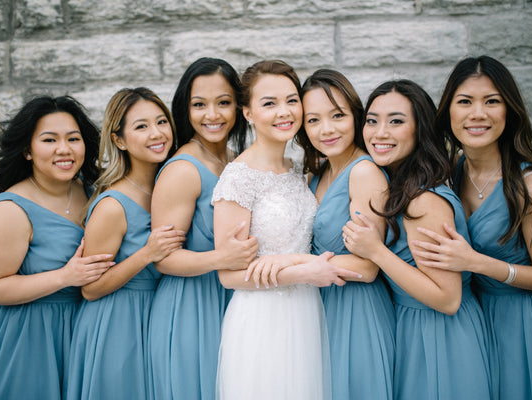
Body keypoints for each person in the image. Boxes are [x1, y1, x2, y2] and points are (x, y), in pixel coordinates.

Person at [411, 55, 532, 400]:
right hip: (471, 320)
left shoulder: (531, 187)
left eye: (491, 101)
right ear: (449, 111)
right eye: (465, 101)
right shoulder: (452, 172)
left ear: (509, 111)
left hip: (523, 324)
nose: (477, 113)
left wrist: (476, 262)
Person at [213, 60, 359, 400]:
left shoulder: (297, 169)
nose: (285, 112)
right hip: (263, 316)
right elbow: (228, 275)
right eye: (269, 103)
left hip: (307, 310)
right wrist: (301, 271)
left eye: (292, 100)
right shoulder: (238, 178)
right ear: (247, 112)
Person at [342, 80, 492, 400]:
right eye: (372, 120)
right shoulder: (400, 184)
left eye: (396, 121)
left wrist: (376, 252)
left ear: (419, 130)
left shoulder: (423, 201)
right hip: (411, 329)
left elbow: (447, 299)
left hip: (439, 336)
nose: (380, 132)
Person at [0, 96, 115, 400]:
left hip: (79, 330)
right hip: (23, 337)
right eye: (49, 140)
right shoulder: (11, 209)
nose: (64, 149)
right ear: (27, 150)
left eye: (74, 138)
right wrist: (65, 277)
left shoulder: (93, 191)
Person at [147, 57, 259, 400]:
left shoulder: (234, 158)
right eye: (200, 105)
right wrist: (221, 257)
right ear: (186, 109)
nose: (213, 114)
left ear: (239, 108)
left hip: (232, 301)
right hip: (190, 308)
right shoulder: (183, 169)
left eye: (223, 102)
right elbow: (164, 259)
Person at [65, 88, 185, 399]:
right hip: (117, 323)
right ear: (119, 140)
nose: (156, 133)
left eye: (161, 122)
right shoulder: (112, 205)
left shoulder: (169, 186)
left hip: (158, 316)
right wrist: (147, 254)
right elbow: (90, 289)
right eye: (141, 126)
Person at [297, 68, 395, 399]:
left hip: (356, 310)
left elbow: (367, 267)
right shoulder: (315, 174)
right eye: (313, 120)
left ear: (354, 114)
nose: (326, 129)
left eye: (337, 115)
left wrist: (292, 267)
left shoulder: (364, 172)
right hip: (318, 304)